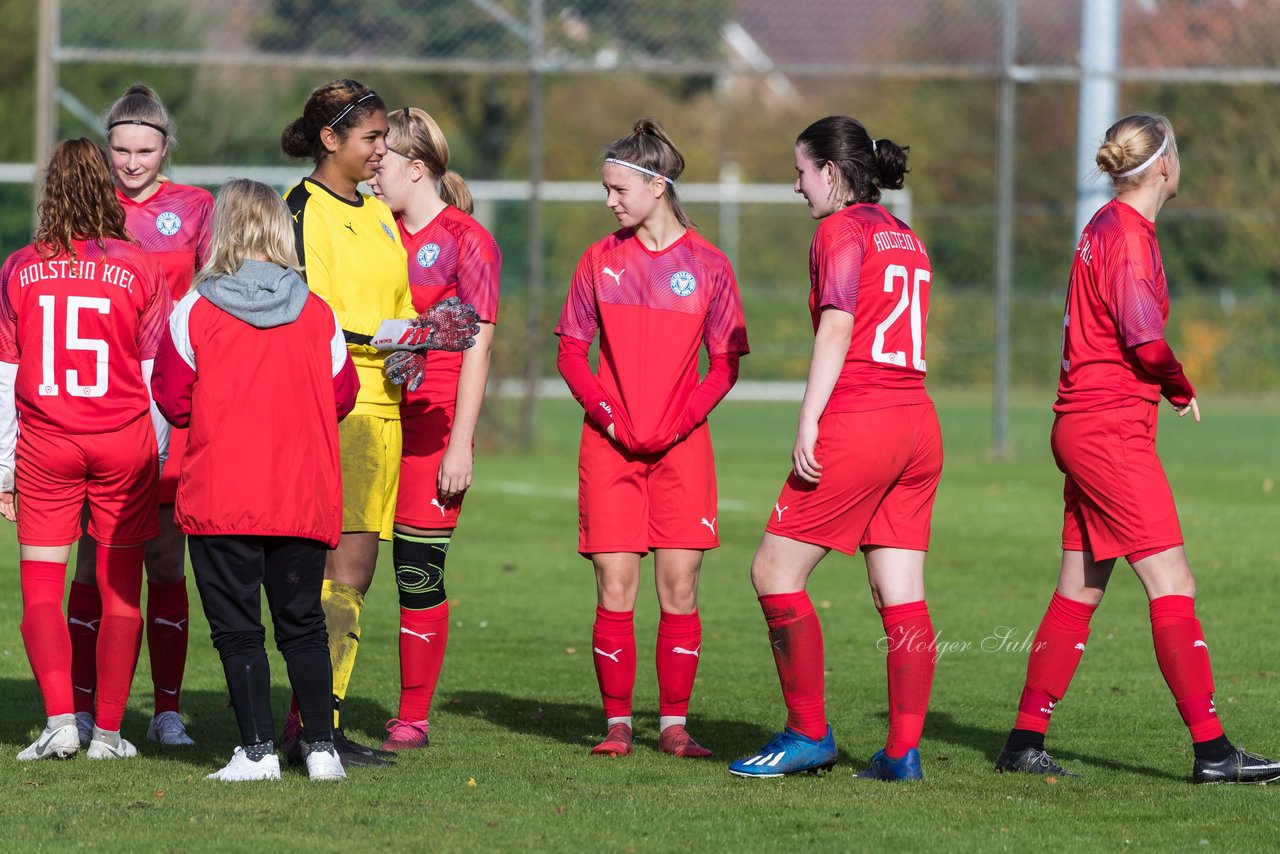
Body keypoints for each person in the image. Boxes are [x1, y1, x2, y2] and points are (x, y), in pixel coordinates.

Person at [993, 113, 1280, 785]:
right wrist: (1179, 386)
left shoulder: (1103, 227)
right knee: (1173, 583)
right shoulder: (1126, 235)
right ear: (1162, 168)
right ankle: (1213, 752)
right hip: (1108, 430)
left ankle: (1023, 740)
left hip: (1085, 424)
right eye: (1177, 151)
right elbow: (1144, 339)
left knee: (1080, 588)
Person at [728, 116, 941, 782]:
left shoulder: (838, 230)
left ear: (829, 171)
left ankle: (807, 733)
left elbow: (839, 327)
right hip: (918, 424)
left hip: (864, 420)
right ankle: (901, 752)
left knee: (773, 573)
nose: (796, 187)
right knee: (900, 592)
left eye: (800, 172)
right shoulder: (905, 235)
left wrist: (808, 420)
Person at [279, 78, 479, 767]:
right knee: (334, 567)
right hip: (332, 407)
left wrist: (419, 346)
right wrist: (388, 339)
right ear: (329, 140)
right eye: (369, 138)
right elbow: (311, 315)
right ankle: (315, 728)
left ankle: (316, 722)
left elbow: (396, 305)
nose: (379, 151)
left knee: (352, 573)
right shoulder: (301, 209)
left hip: (382, 405)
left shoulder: (372, 214)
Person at [150, 178, 356, 781]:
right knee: (304, 625)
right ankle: (321, 750)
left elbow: (173, 400)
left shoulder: (196, 308)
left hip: (223, 493)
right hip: (302, 493)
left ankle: (258, 752)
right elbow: (342, 395)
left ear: (225, 230)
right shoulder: (318, 311)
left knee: (238, 631)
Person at [555, 118, 749, 759]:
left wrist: (678, 421)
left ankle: (672, 725)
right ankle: (616, 725)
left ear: (656, 185)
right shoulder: (599, 260)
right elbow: (571, 354)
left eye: (618, 189)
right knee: (615, 584)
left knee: (681, 586)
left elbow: (725, 364)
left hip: (680, 449)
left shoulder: (710, 267)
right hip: (609, 447)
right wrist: (610, 417)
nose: (609, 201)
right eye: (606, 189)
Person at [0, 138, 171, 761]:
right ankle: (108, 732)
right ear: (105, 188)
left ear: (51, 191)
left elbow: (3, 374)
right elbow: (157, 376)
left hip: (46, 444)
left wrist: (2, 466)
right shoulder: (143, 267)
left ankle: (59, 722)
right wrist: (153, 458)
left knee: (43, 588)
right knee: (122, 587)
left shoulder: (19, 267)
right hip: (123, 441)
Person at [68, 84, 212, 749]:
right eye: (120, 149)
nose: (130, 163)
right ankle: (78, 709)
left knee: (161, 554)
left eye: (144, 149)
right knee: (95, 555)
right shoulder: (86, 209)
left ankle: (167, 710)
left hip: (170, 403)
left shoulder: (196, 208)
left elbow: (212, 301)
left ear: (165, 148)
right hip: (100, 400)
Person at [368, 107, 501, 751]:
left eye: (383, 158)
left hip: (434, 429)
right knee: (341, 569)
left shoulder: (468, 240)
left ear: (415, 169)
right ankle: (317, 707)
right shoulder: (372, 229)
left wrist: (459, 444)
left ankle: (412, 718)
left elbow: (477, 348)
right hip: (369, 417)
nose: (372, 168)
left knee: (417, 571)